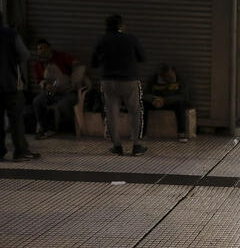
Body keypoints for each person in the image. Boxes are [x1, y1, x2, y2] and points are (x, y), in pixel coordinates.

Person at [91, 14, 147, 156]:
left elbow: (94, 62)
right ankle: (136, 145)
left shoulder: (101, 40)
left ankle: (117, 146)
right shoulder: (130, 38)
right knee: (135, 112)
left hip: (108, 81)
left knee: (111, 113)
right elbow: (142, 57)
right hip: (129, 80)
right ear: (121, 25)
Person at [0, 12, 40, 162]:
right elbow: (25, 55)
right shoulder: (10, 34)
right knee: (16, 119)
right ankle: (20, 151)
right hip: (11, 84)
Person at [31, 39, 81, 139]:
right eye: (40, 49)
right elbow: (39, 79)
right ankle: (46, 129)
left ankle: (70, 128)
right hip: (51, 93)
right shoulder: (37, 64)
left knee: (64, 105)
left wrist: (75, 79)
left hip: (67, 92)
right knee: (37, 101)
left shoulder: (60, 56)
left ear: (49, 48)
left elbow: (76, 63)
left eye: (44, 48)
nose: (42, 50)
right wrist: (46, 85)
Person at [143, 64, 190, 143]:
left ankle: (181, 132)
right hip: (156, 102)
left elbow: (184, 96)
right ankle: (142, 132)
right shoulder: (154, 79)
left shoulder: (180, 79)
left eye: (171, 76)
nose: (169, 79)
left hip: (171, 103)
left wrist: (165, 100)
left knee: (180, 104)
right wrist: (153, 99)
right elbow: (145, 94)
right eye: (167, 77)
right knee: (143, 104)